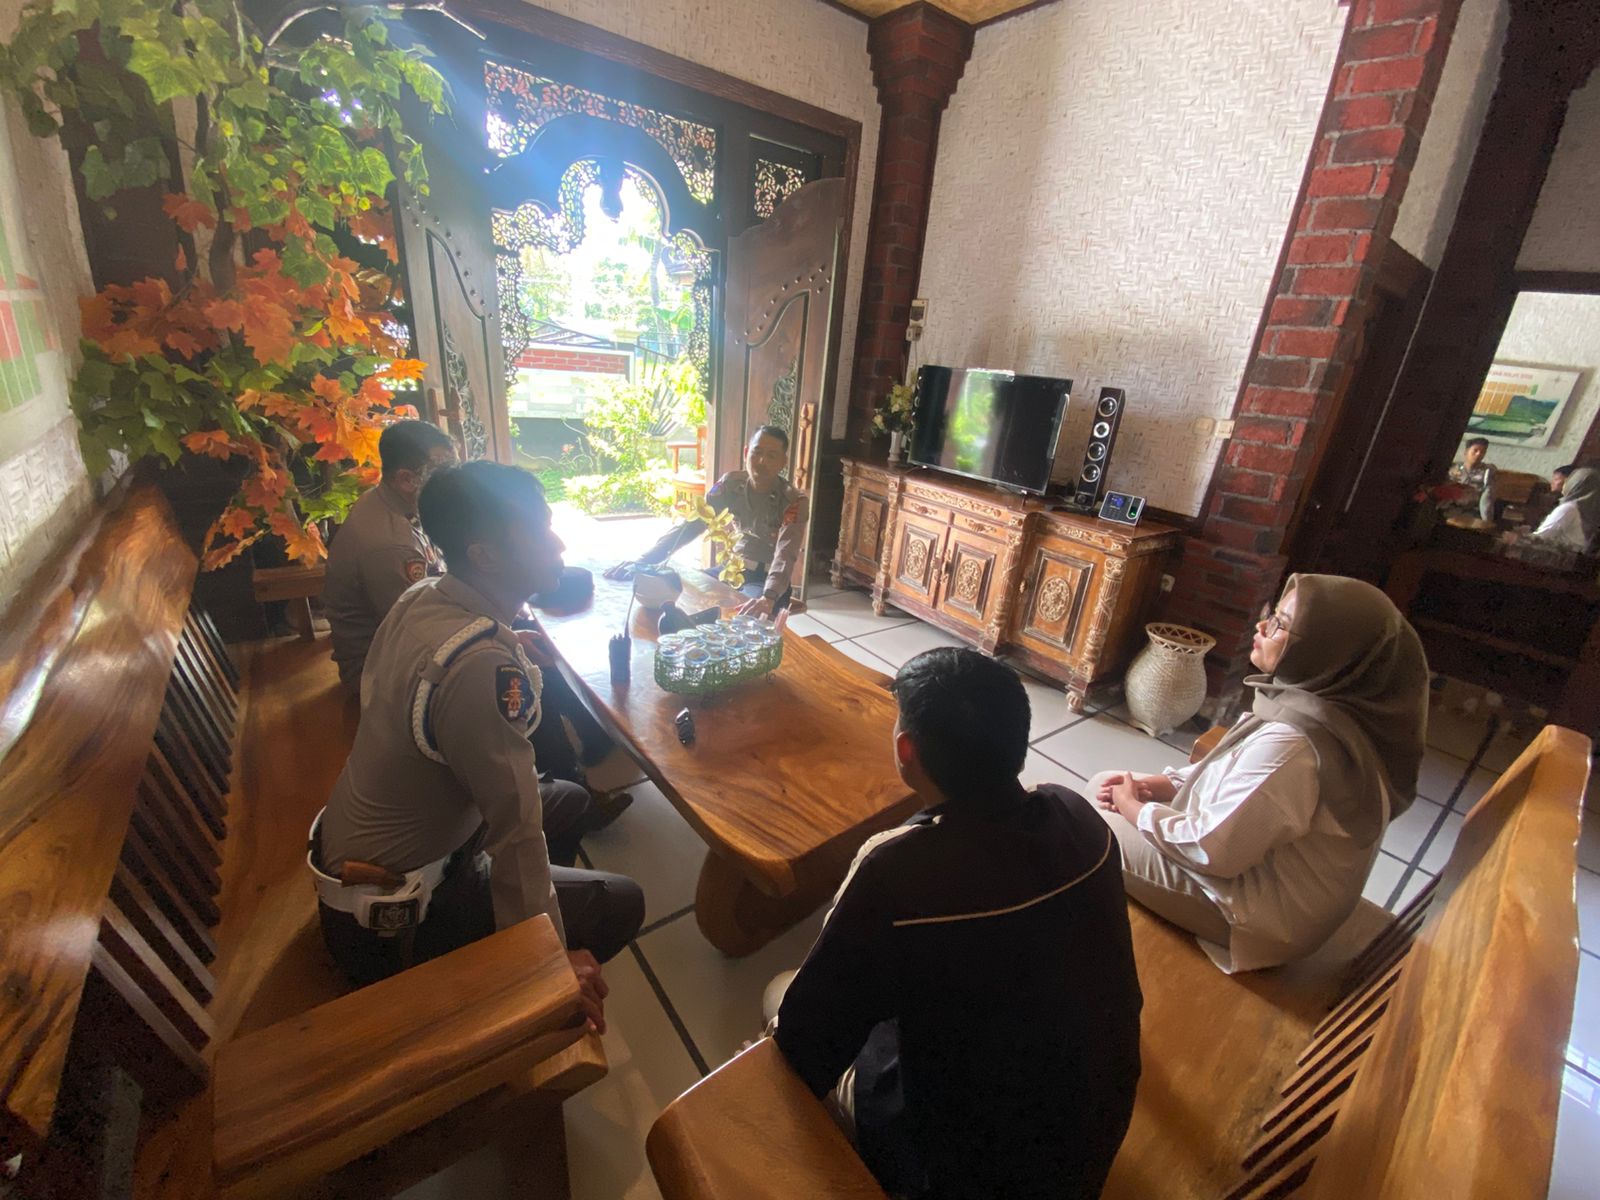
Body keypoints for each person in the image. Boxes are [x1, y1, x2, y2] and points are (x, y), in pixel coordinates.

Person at [767, 647, 1142, 1200]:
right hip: (1093, 1139)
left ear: (906, 750)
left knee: (778, 994)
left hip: (959, 1176)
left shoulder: (895, 871)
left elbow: (806, 1045)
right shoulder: (1077, 814)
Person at [315, 462, 645, 1010]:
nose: (558, 542)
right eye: (539, 530)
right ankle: (523, 984)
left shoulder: (425, 595)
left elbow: (397, 686)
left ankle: (525, 911)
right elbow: (516, 828)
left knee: (569, 797)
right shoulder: (479, 665)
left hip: (375, 855)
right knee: (621, 901)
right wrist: (544, 955)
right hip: (395, 915)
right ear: (485, 556)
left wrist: (506, 643)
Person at [1089, 574, 1428, 974]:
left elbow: (1211, 849)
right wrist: (1158, 786)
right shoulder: (1327, 709)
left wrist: (1134, 807)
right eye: (1272, 613)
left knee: (1088, 812)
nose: (1261, 626)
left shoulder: (1296, 744)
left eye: (1281, 625)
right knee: (1110, 781)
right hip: (1271, 882)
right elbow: (1225, 773)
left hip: (1262, 921)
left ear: (1326, 650)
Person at [604, 425, 807, 617]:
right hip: (731, 570)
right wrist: (643, 561)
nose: (762, 461)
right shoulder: (731, 485)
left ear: (783, 462)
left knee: (741, 615)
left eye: (771, 455)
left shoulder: (793, 501)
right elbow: (692, 524)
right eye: (757, 452)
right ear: (746, 452)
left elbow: (786, 554)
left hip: (766, 581)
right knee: (677, 591)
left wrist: (769, 597)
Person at [324, 419, 458, 693]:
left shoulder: (386, 500)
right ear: (406, 479)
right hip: (374, 674)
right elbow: (420, 631)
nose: (454, 483)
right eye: (443, 473)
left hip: (390, 649)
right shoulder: (392, 546)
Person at [1529, 463, 1598, 552]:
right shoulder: (1589, 510)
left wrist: (1519, 536)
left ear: (1574, 483)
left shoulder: (1569, 508)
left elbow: (1541, 537)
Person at [1446, 436, 1497, 522]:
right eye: (1475, 450)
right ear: (1466, 451)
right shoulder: (1454, 468)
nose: (1478, 454)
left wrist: (1486, 521)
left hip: (1472, 512)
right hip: (1449, 508)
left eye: (1482, 452)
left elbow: (1488, 497)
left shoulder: (1487, 471)